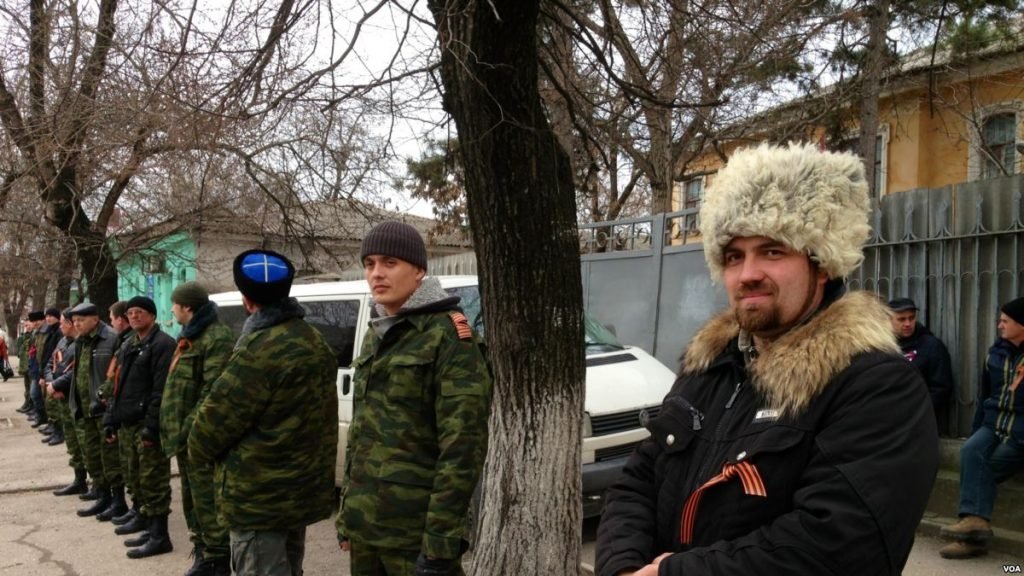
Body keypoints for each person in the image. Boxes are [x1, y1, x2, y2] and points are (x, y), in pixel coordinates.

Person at [595, 143, 938, 576]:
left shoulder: (876, 386)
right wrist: (623, 567)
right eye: (734, 256)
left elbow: (837, 547)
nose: (747, 274)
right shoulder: (708, 365)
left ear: (822, 264)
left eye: (772, 251)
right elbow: (638, 479)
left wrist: (672, 573)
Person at [336, 221, 492, 576]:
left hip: (415, 536)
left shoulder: (448, 336)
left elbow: (462, 448)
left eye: (389, 263)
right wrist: (348, 515)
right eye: (369, 264)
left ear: (419, 270)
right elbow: (361, 436)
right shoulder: (376, 334)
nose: (376, 273)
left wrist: (440, 543)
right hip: (367, 530)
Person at [188, 249, 338, 576]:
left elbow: (205, 435)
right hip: (297, 495)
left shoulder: (258, 351)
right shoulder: (315, 340)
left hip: (258, 502)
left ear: (247, 300)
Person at [939, 297, 1024, 559]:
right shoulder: (995, 354)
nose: (1000, 325)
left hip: (1020, 433)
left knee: (983, 469)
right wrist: (976, 431)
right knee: (970, 451)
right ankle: (975, 525)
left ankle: (972, 536)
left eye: (1005, 321)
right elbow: (985, 394)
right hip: (992, 424)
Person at [161, 282, 234, 576]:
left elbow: (212, 391)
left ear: (187, 307)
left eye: (174, 304)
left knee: (207, 500)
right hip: (185, 438)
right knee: (192, 499)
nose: (172, 309)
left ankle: (217, 559)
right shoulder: (190, 336)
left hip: (201, 437)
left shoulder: (216, 337)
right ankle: (203, 551)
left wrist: (189, 428)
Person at [103, 296, 176, 557]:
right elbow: (118, 384)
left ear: (152, 316)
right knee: (135, 476)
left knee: (153, 480)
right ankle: (145, 522)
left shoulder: (162, 344)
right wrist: (111, 419)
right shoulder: (130, 343)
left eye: (140, 312)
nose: (134, 316)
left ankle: (160, 536)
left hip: (147, 423)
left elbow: (161, 390)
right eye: (130, 312)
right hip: (128, 421)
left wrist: (152, 427)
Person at [68, 303, 124, 516]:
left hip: (103, 409)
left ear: (95, 319)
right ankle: (102, 496)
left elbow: (116, 375)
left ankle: (118, 500)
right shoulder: (80, 341)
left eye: (81, 320)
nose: (77, 324)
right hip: (85, 409)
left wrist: (108, 403)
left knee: (110, 458)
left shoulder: (110, 338)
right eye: (75, 321)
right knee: (93, 456)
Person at [889, 297, 955, 431]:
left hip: (918, 422)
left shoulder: (931, 346)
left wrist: (917, 411)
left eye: (911, 318)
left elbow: (941, 388)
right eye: (901, 319)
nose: (908, 323)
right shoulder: (882, 346)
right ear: (888, 320)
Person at [47, 310, 86, 492]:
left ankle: (97, 485)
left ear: (70, 323)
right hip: (62, 398)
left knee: (84, 443)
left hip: (76, 398)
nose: (60, 325)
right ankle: (79, 479)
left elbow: (75, 372)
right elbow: (51, 364)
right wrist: (51, 382)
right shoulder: (63, 342)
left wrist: (56, 385)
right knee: (72, 441)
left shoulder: (81, 343)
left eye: (62, 322)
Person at [38, 308, 65, 445]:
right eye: (47, 316)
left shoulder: (58, 333)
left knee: (53, 404)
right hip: (48, 370)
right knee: (50, 403)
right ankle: (54, 428)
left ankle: (59, 432)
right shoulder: (51, 332)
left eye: (51, 316)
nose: (48, 319)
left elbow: (56, 356)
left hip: (55, 373)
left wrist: (50, 374)